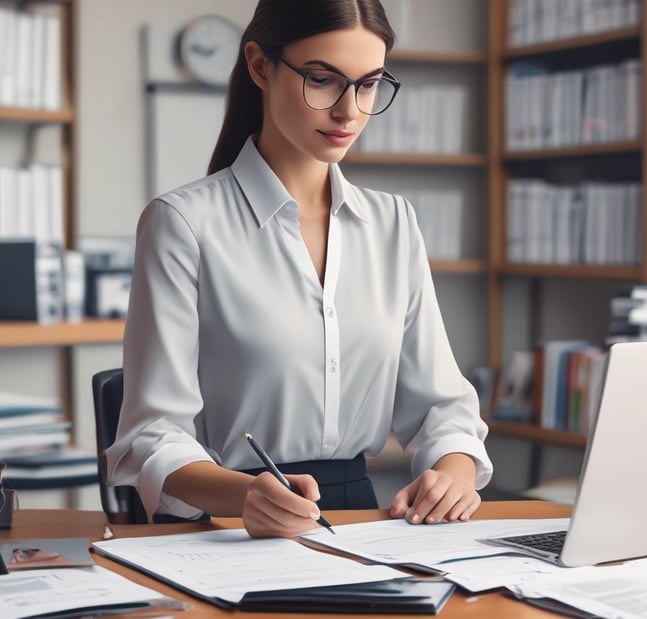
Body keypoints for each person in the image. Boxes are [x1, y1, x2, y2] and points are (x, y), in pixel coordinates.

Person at [106, 0, 493, 539]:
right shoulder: (184, 223)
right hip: (228, 521)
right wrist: (244, 495)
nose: (349, 111)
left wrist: (453, 471)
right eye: (322, 79)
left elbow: (442, 406)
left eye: (368, 85)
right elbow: (151, 433)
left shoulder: (392, 223)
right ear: (260, 66)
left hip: (361, 518)